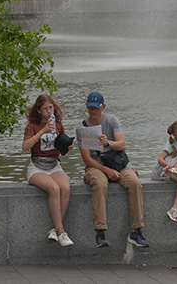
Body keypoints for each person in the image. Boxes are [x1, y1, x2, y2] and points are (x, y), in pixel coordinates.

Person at [76, 91, 149, 248]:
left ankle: (136, 231)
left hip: (116, 162)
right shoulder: (82, 128)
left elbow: (122, 145)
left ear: (103, 107)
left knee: (134, 182)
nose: (93, 111)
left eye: (96, 108)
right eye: (90, 108)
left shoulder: (112, 120)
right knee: (100, 183)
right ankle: (100, 232)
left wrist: (108, 143)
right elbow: (87, 159)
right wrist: (105, 170)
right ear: (86, 107)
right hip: (95, 165)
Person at [22, 94, 73, 247]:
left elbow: (60, 145)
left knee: (65, 187)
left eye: (51, 108)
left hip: (54, 165)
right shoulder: (32, 126)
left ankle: (54, 230)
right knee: (54, 188)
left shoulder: (58, 124)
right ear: (38, 110)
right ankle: (61, 232)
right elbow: (25, 147)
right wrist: (42, 131)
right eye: (45, 109)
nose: (49, 111)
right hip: (37, 167)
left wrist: (67, 146)